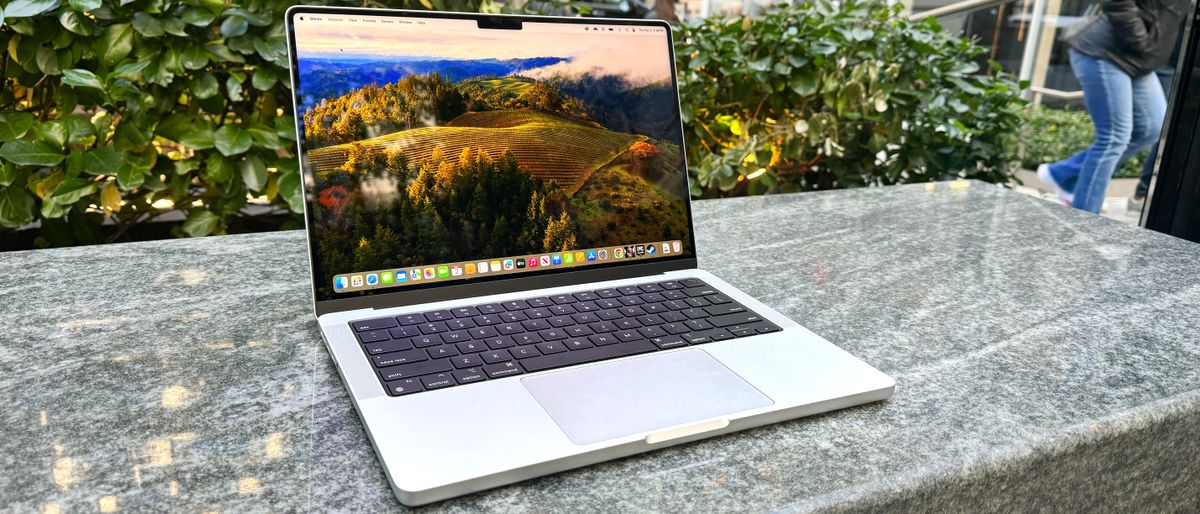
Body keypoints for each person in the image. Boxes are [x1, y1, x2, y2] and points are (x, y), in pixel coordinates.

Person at [1038, 0, 1188, 214]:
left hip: (1138, 61)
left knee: (1153, 128)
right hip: (1105, 53)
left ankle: (1063, 174)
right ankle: (1085, 214)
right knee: (1114, 137)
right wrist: (1140, 40)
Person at [1128, 35, 1182, 212]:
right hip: (1165, 63)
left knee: (1162, 130)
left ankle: (1142, 193)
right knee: (1142, 129)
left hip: (1173, 63)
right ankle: (1141, 194)